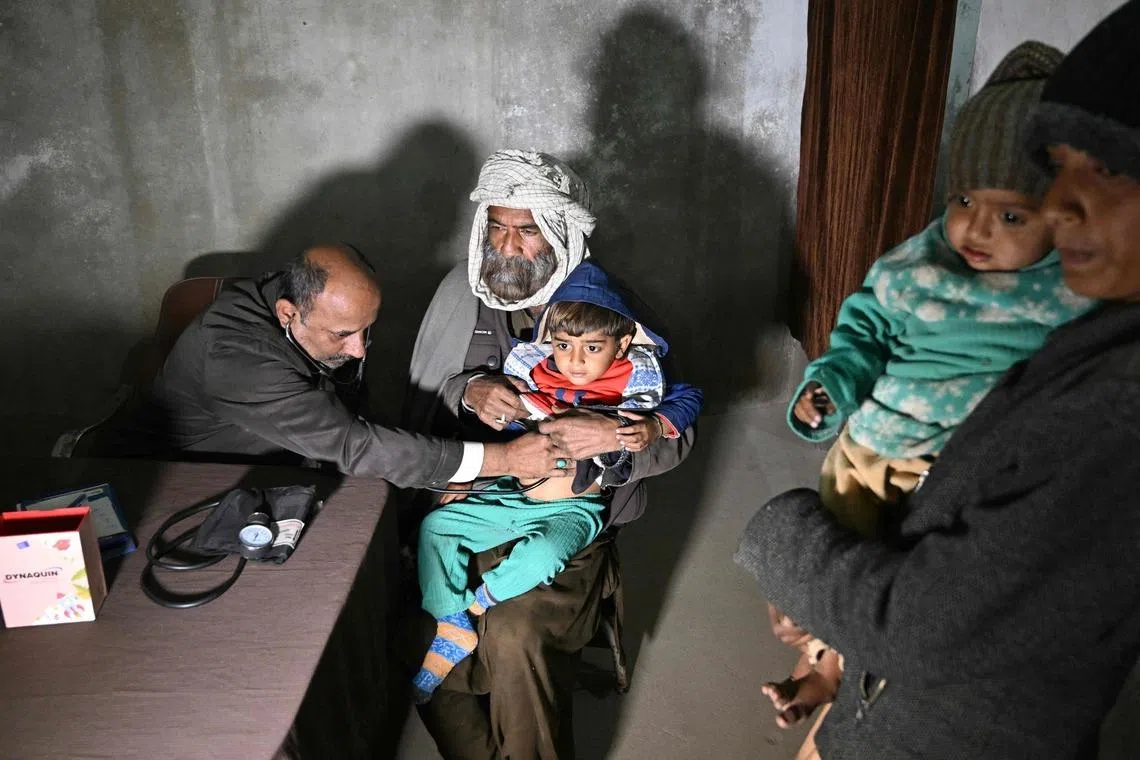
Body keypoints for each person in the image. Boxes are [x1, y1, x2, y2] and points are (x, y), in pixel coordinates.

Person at [735, 3, 1140, 758]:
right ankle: (825, 665)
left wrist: (781, 544)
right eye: (1060, 168)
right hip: (879, 683)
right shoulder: (941, 275)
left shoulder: (1112, 397)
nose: (1058, 203)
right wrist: (834, 389)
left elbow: (918, 623)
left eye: (1109, 167)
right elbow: (865, 332)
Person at [404, 150, 697, 759]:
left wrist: (613, 438)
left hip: (573, 519)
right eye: (498, 226)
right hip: (484, 497)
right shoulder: (459, 295)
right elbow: (420, 413)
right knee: (431, 634)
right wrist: (469, 391)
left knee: (512, 635)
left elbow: (680, 430)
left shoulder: (612, 310)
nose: (507, 246)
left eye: (528, 228)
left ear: (562, 232)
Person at [97, 243, 570, 488]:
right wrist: (501, 460)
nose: (361, 350)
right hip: (172, 478)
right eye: (343, 335)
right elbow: (352, 444)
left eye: (367, 329)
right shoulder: (237, 359)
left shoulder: (303, 296)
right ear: (288, 314)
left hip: (280, 459)